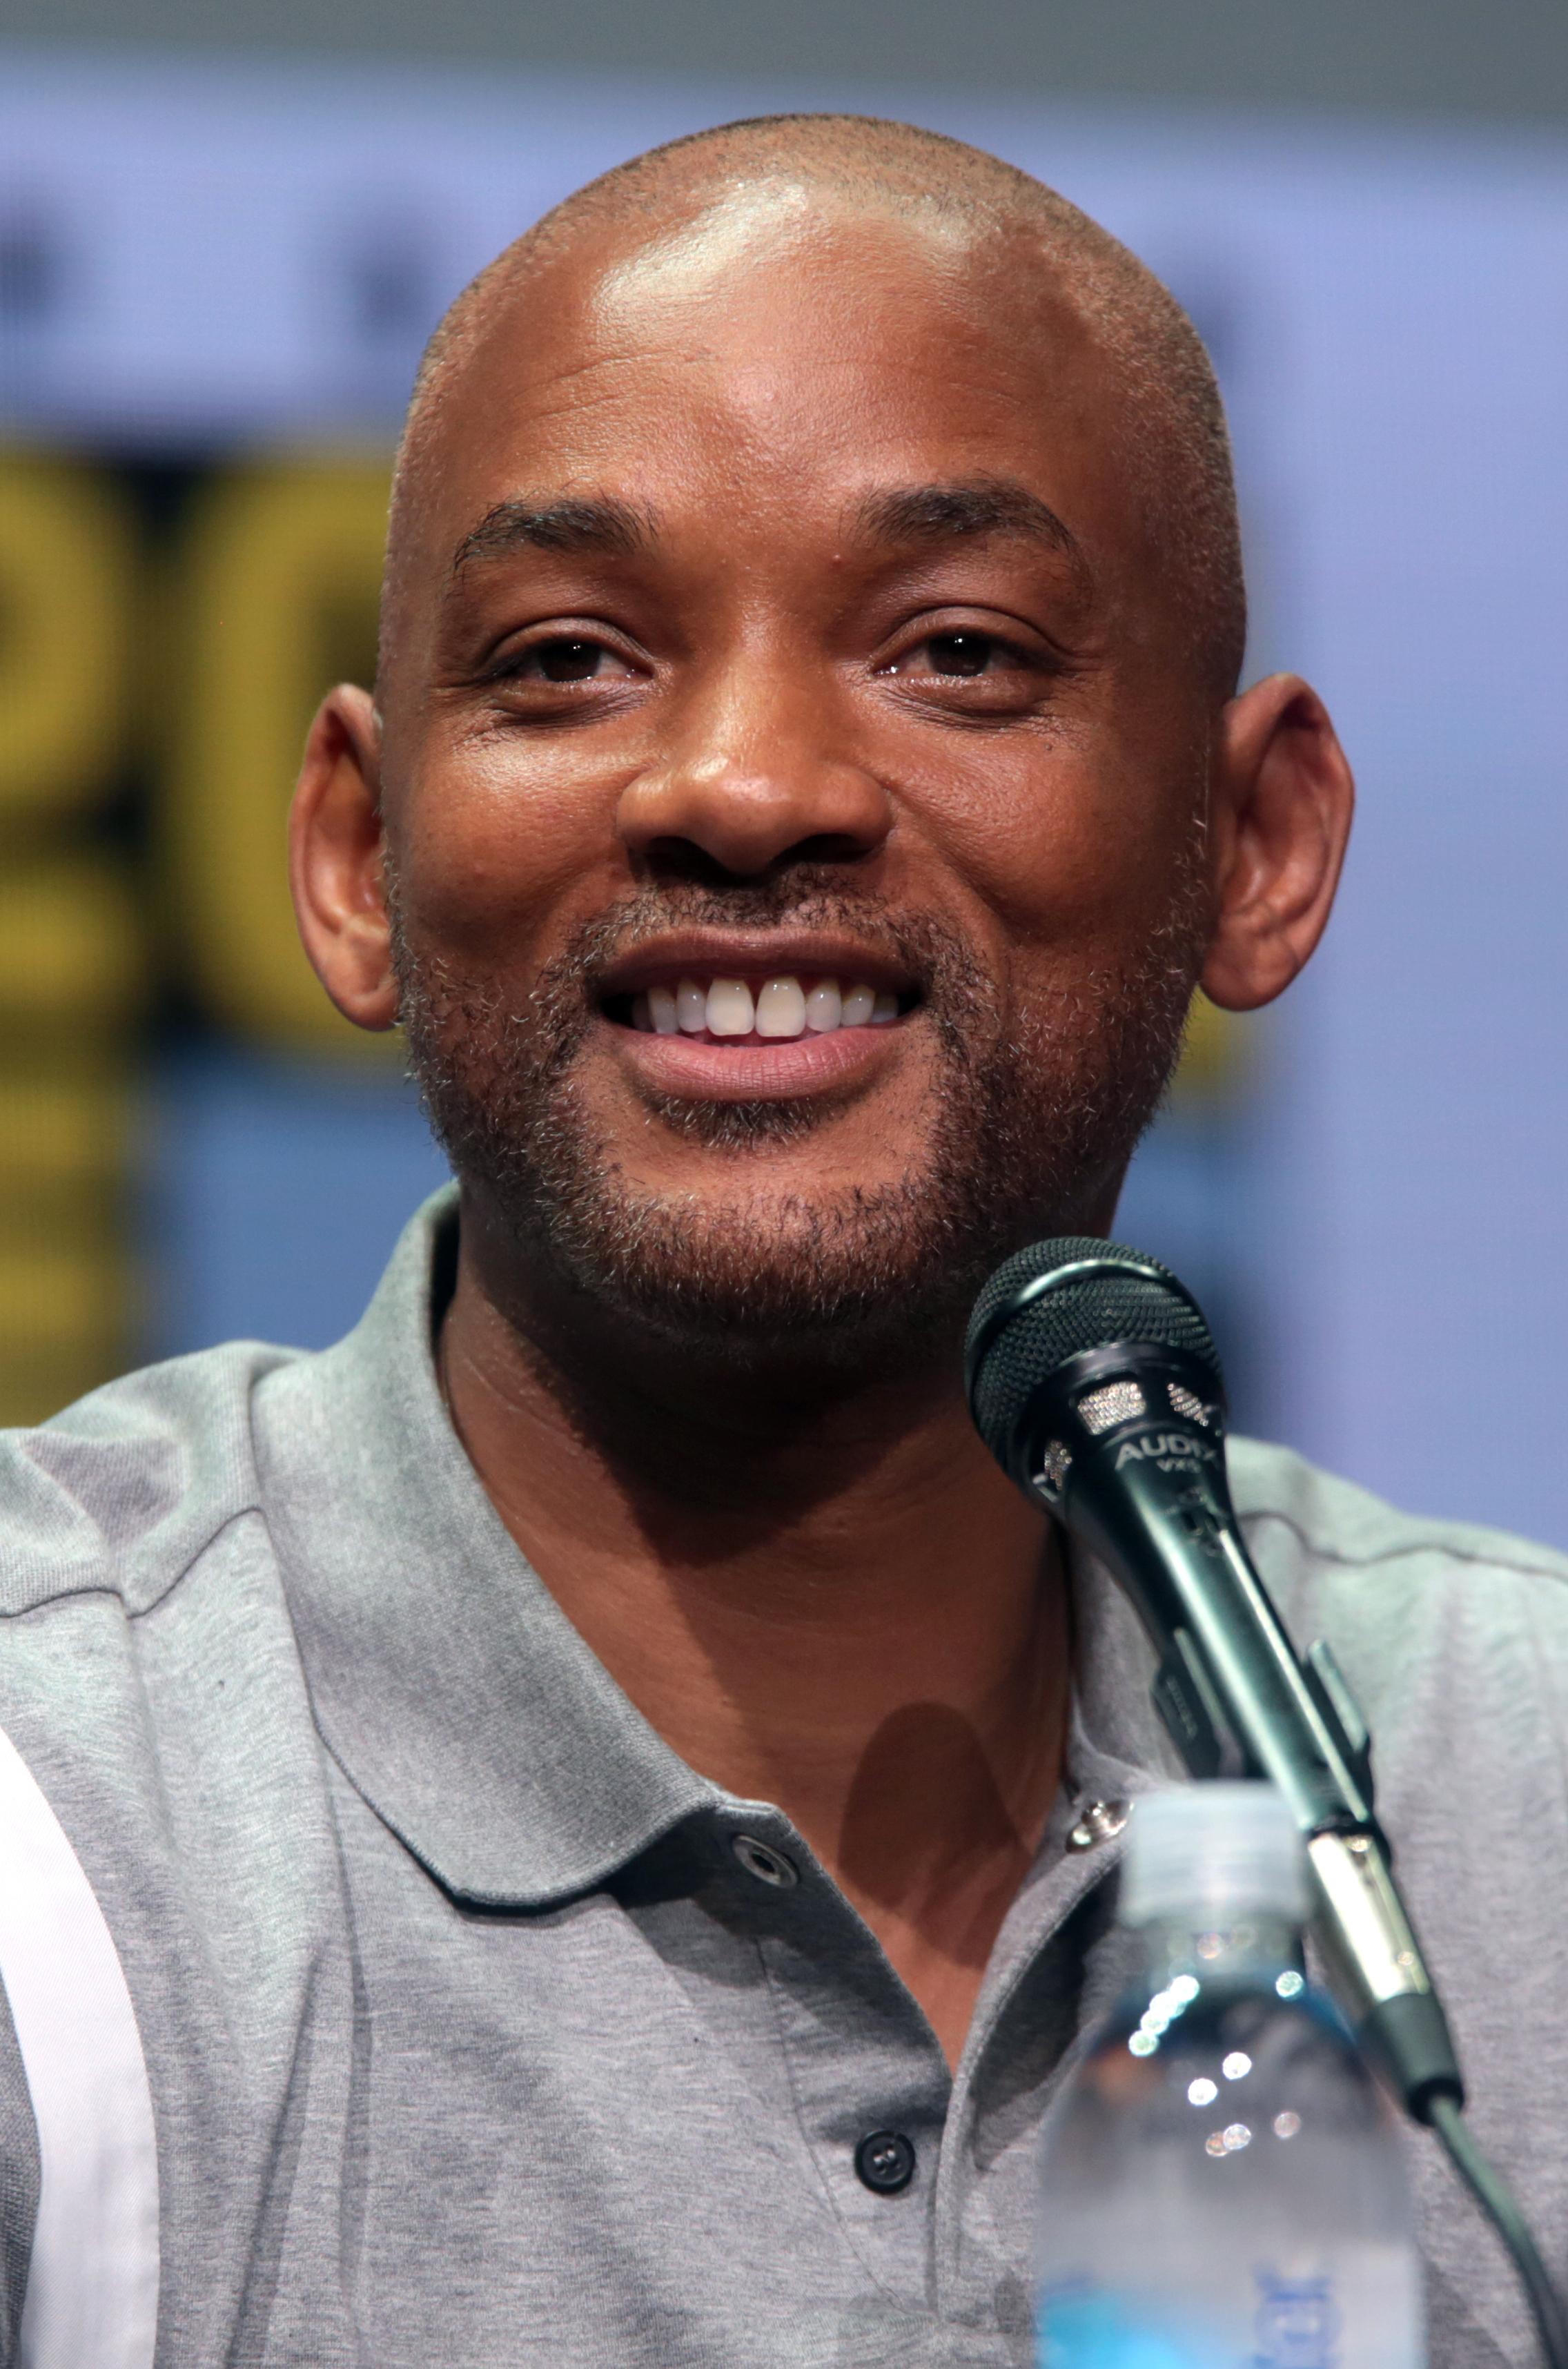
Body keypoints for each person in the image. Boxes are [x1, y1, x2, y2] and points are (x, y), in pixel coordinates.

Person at [0, 113, 1562, 2369]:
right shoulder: (52, 1798)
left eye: (956, 652)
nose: (741, 787)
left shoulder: (1530, 1798)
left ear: (1254, 845)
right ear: (354, 857)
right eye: (567, 658)